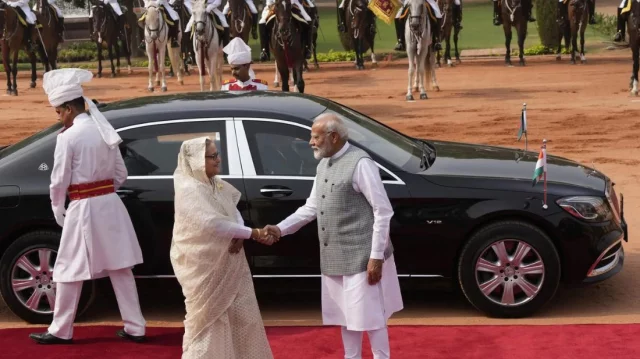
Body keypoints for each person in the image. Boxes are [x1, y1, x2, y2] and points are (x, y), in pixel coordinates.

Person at [264, 113, 404, 359]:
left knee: (370, 318)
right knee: (346, 318)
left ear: (334, 136)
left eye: (315, 137)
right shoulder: (323, 165)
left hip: (362, 258)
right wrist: (281, 228)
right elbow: (312, 207)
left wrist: (376, 256)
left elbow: (383, 212)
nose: (311, 142)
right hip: (335, 258)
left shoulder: (361, 163)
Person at [29, 68, 146, 345]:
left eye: (59, 112)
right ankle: (135, 326)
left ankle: (60, 330)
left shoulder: (68, 137)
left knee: (68, 268)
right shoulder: (105, 130)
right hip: (111, 205)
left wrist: (58, 206)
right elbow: (121, 175)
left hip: (83, 208)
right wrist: (103, 193)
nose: (59, 117)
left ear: (69, 108)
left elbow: (59, 179)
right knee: (121, 268)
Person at [171, 136, 275, 359]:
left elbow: (231, 212)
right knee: (208, 321)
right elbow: (211, 223)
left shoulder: (216, 183)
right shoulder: (190, 189)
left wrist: (238, 231)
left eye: (217, 154)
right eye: (212, 156)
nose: (218, 160)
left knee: (243, 317)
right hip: (205, 265)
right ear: (197, 160)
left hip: (231, 261)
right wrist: (252, 233)